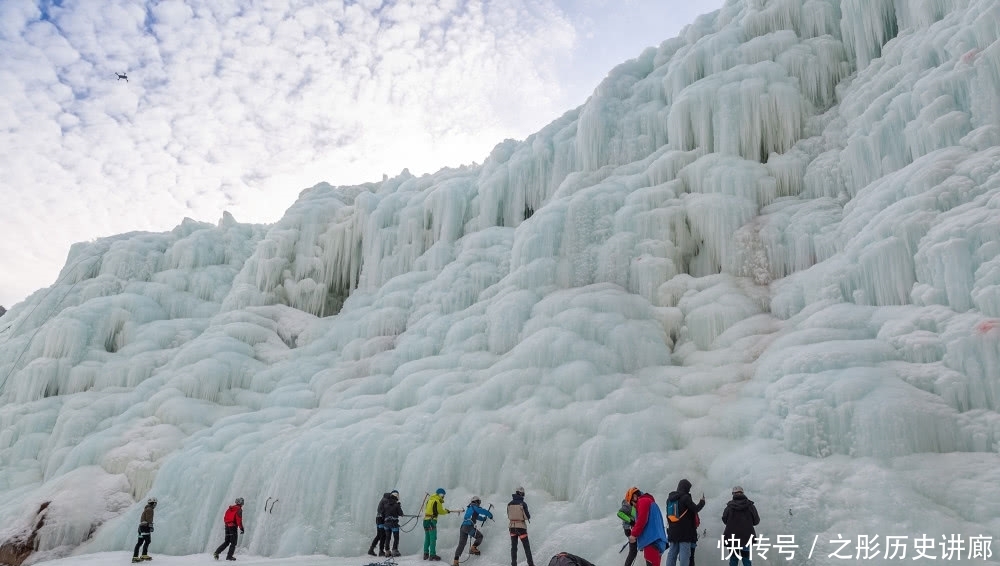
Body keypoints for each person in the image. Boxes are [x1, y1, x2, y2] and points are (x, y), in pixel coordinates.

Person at [665, 480, 704, 566]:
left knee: (672, 553)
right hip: (685, 532)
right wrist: (702, 502)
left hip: (673, 531)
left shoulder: (670, 499)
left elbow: (667, 515)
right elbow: (695, 509)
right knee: (684, 555)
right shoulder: (686, 498)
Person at [722, 487, 759, 566]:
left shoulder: (729, 507)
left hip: (732, 538)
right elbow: (756, 521)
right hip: (746, 537)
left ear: (733, 494)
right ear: (743, 493)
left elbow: (724, 519)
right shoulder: (750, 506)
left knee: (733, 559)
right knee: (746, 559)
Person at [629, 489, 667, 566]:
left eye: (632, 503)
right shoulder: (651, 503)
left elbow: (642, 519)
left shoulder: (643, 501)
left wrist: (633, 534)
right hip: (657, 541)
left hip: (651, 541)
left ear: (635, 497)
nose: (633, 506)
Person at [452, 496, 494, 566]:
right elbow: (483, 511)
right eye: (479, 502)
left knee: (461, 544)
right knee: (480, 536)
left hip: (463, 528)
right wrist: (490, 515)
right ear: (476, 501)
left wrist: (483, 519)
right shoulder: (474, 507)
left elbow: (476, 517)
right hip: (468, 527)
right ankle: (473, 548)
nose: (479, 504)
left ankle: (455, 561)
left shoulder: (470, 508)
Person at [507, 487, 535, 566]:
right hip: (521, 527)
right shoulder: (523, 504)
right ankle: (531, 564)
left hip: (512, 527)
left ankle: (513, 564)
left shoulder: (509, 504)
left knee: (514, 547)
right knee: (526, 547)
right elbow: (527, 516)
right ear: (521, 493)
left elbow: (508, 515)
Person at [424, 488, 453, 561]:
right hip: (431, 521)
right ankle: (432, 555)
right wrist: (446, 511)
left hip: (425, 521)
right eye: (443, 495)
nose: (443, 497)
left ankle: (425, 554)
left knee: (427, 537)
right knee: (433, 538)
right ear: (441, 494)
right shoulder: (437, 501)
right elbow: (440, 511)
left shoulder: (429, 500)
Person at [369, 491, 395, 556]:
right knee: (383, 535)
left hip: (378, 519)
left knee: (379, 535)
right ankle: (381, 551)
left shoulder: (383, 499)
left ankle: (371, 549)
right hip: (381, 519)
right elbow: (388, 509)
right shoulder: (386, 500)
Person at [618, 488, 639, 566]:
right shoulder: (628, 505)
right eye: (635, 496)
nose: (637, 497)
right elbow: (619, 513)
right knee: (633, 552)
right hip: (629, 530)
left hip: (631, 529)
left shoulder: (631, 503)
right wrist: (631, 521)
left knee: (633, 551)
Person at [132, 497, 156, 563]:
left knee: (139, 542)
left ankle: (135, 557)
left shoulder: (146, 509)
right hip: (145, 528)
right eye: (155, 503)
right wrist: (150, 526)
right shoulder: (150, 509)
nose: (155, 505)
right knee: (148, 541)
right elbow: (149, 519)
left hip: (141, 528)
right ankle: (144, 555)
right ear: (153, 503)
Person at [384, 490, 404, 557]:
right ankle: (394, 551)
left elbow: (383, 513)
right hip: (394, 524)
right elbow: (401, 514)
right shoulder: (396, 505)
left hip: (386, 524)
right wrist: (399, 507)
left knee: (387, 538)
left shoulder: (386, 504)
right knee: (396, 537)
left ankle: (387, 551)